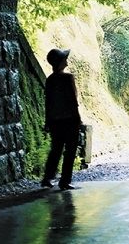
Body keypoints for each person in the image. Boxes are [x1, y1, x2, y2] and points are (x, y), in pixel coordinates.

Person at [40, 48, 82, 190]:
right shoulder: (68, 78)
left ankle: (47, 178)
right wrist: (78, 119)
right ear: (60, 62)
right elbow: (72, 101)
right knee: (70, 151)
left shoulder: (50, 80)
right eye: (65, 59)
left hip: (55, 121)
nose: (67, 61)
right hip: (70, 120)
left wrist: (47, 121)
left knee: (56, 150)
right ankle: (64, 181)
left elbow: (48, 103)